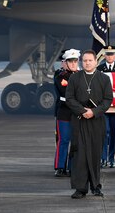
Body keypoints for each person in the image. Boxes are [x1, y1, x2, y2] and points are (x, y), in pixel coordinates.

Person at [65, 50, 113, 199]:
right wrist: (82, 111)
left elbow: (108, 100)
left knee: (95, 154)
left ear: (96, 62)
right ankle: (80, 188)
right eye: (84, 60)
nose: (87, 63)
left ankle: (95, 186)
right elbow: (69, 98)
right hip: (79, 121)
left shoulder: (104, 79)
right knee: (79, 155)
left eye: (90, 60)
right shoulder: (74, 78)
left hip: (96, 121)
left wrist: (94, 111)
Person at [97, 45, 115, 168]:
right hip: (104, 107)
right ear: (104, 56)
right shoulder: (99, 69)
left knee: (114, 134)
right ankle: (103, 158)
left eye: (112, 54)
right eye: (107, 54)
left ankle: (111, 159)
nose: (109, 56)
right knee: (104, 132)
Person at [53, 49, 80, 177]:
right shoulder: (61, 76)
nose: (73, 63)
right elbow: (65, 93)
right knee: (63, 140)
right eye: (70, 61)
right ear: (65, 63)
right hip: (64, 112)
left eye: (75, 61)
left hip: (77, 113)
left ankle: (72, 166)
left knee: (75, 141)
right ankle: (60, 166)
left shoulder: (82, 75)